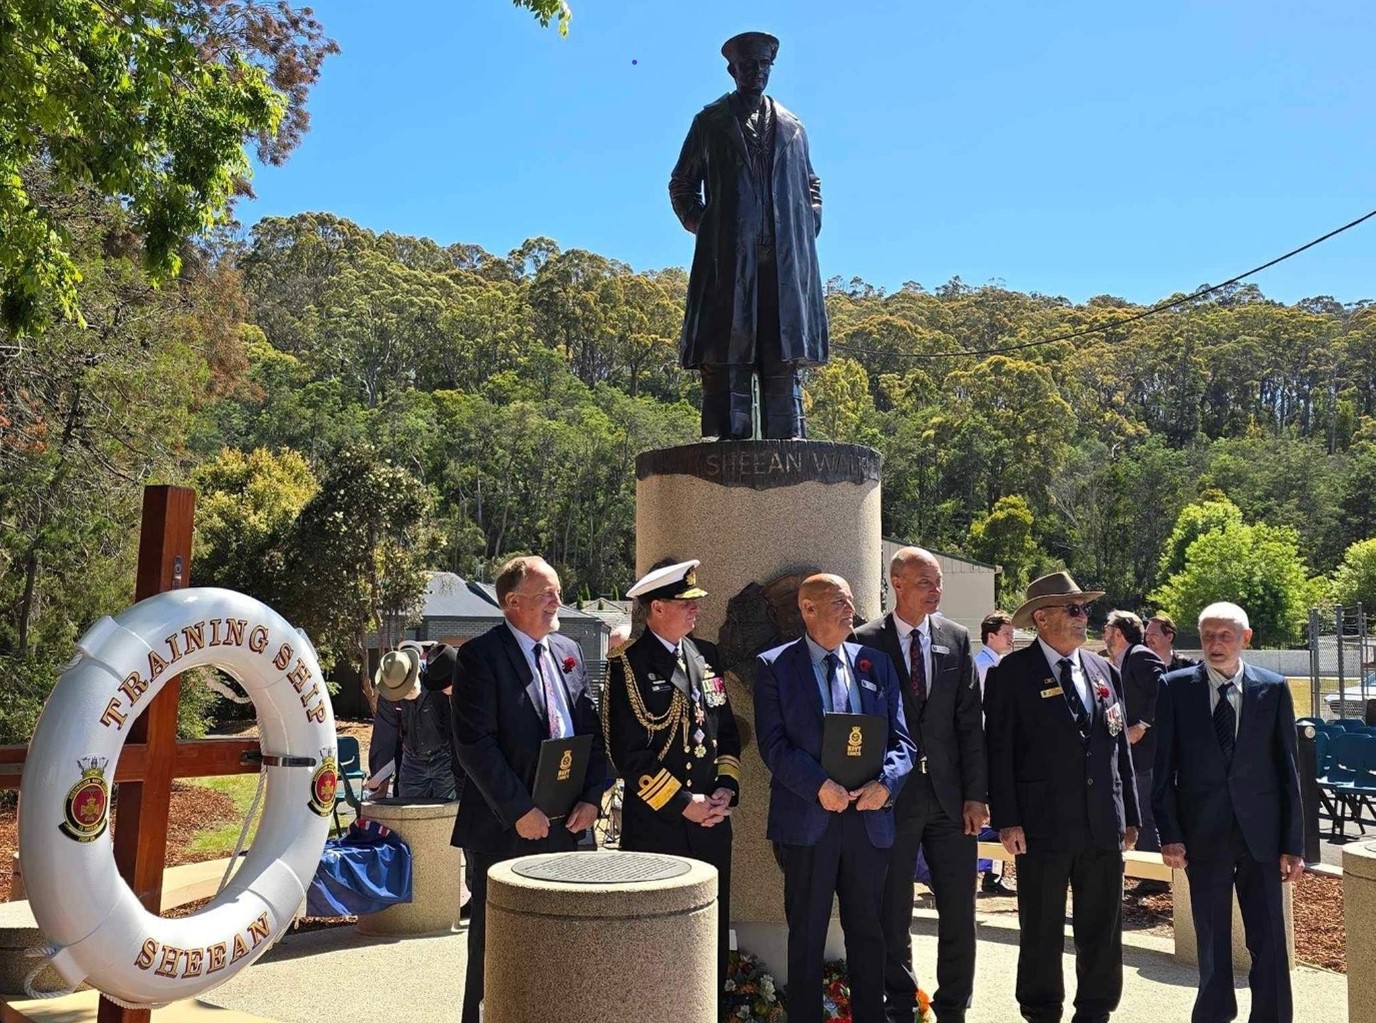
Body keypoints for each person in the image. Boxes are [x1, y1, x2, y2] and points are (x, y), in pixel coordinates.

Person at [449, 555, 610, 1023]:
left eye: (558, 592)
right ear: (512, 602)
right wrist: (520, 809)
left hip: (568, 826)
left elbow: (591, 734)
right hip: (506, 830)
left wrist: (593, 798)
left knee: (563, 944)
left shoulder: (569, 651)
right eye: (547, 594)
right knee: (495, 949)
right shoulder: (481, 657)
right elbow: (474, 745)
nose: (557, 601)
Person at [755, 573, 916, 1023]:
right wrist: (819, 787)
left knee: (869, 931)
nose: (851, 609)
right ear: (808, 610)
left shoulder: (875, 664)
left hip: (868, 819)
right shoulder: (774, 666)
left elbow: (903, 741)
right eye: (839, 602)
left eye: (851, 601)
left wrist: (885, 785)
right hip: (810, 820)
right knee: (805, 933)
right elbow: (773, 745)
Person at [985, 572, 1139, 1023]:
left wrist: (1129, 812)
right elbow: (1000, 751)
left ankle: (1095, 1010)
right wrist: (1008, 819)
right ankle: (1041, 1010)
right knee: (1041, 929)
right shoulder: (1011, 674)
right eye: (1073, 610)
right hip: (1041, 826)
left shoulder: (1102, 668)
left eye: (1084, 609)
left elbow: (1118, 748)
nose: (1082, 617)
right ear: (1042, 618)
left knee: (1103, 929)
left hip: (1100, 823)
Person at [669, 30, 827, 440]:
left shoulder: (793, 127)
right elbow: (682, 184)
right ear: (731, 69)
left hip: (783, 261)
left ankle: (787, 439)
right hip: (729, 260)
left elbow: (811, 183)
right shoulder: (710, 123)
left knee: (781, 353)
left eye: (763, 65)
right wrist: (708, 229)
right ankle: (726, 439)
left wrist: (809, 222)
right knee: (727, 350)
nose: (756, 72)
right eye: (747, 65)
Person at [1152, 601, 1304, 1023]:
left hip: (1262, 837)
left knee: (1270, 939)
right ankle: (1214, 1015)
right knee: (1213, 939)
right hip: (1203, 835)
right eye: (1207, 636)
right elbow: (1163, 770)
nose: (1215, 645)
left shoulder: (1272, 689)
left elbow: (1288, 769)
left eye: (1225, 636)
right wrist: (1170, 834)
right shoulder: (1175, 687)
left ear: (1245, 638)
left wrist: (1294, 845)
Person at [852, 547, 986, 1023]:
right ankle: (902, 1004)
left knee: (958, 912)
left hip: (951, 801)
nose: (936, 590)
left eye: (938, 582)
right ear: (898, 584)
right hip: (893, 798)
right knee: (894, 911)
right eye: (925, 582)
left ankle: (953, 1008)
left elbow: (970, 722)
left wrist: (976, 795)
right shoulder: (865, 640)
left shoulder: (956, 637)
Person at [604, 559, 742, 1015]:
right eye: (686, 603)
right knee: (655, 933)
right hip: (658, 825)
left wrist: (725, 789)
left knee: (710, 928)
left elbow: (724, 732)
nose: (696, 609)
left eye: (696, 602)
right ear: (657, 608)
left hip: (711, 823)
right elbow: (628, 755)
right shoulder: (628, 666)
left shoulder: (706, 656)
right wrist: (684, 803)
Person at [1102, 611, 1166, 878]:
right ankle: (1146, 873)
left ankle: (1154, 876)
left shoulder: (1140, 655)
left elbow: (1163, 688)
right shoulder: (1119, 661)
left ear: (1118, 633)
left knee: (1146, 812)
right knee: (1136, 809)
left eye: (1106, 629)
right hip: (1131, 753)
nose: (1103, 635)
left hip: (1147, 752)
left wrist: (1142, 725)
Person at [396, 642, 459, 800]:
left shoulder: (440, 682)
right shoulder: (391, 680)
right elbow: (386, 730)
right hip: (411, 761)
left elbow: (454, 728)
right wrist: (379, 774)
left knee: (446, 815)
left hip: (444, 758)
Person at [975, 610, 1016, 698]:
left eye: (1012, 634)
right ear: (991, 636)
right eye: (1007, 634)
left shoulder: (1000, 661)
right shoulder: (983, 665)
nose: (1011, 638)